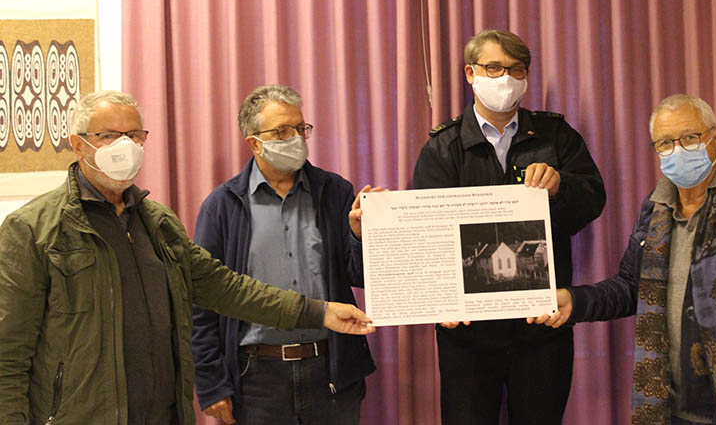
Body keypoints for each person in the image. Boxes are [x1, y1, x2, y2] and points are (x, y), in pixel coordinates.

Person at [0, 90, 374, 425]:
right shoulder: (32, 230)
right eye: (108, 135)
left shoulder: (158, 224)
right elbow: (8, 357)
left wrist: (319, 312)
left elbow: (226, 288)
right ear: (78, 145)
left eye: (134, 135)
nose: (124, 145)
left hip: (163, 411)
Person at [536, 94, 716, 424]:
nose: (678, 150)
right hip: (670, 409)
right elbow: (632, 288)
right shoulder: (655, 209)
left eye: (689, 137)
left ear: (715, 137)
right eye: (665, 143)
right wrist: (574, 301)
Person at [413, 29, 606, 424]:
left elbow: (592, 203)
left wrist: (560, 187)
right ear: (470, 73)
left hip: (541, 329)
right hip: (467, 334)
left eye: (515, 69)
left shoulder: (557, 136)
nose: (505, 79)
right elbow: (426, 234)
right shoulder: (443, 147)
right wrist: (439, 301)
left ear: (526, 76)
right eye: (494, 67)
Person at [191, 85, 380, 425]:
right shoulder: (222, 207)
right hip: (257, 378)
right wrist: (210, 382)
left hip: (331, 370)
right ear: (254, 142)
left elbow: (360, 277)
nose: (296, 138)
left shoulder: (335, 191)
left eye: (300, 128)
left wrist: (359, 236)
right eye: (282, 131)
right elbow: (201, 301)